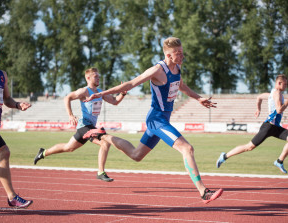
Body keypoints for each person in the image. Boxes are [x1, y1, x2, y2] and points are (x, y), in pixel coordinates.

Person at [84, 37, 223, 204]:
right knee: (187, 148)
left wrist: (198, 98)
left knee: (136, 155)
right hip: (157, 119)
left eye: (182, 53)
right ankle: (203, 192)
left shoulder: (177, 67)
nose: (182, 56)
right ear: (168, 55)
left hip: (161, 119)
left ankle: (103, 136)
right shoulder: (157, 70)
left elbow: (182, 86)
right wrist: (101, 93)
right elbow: (131, 83)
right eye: (178, 54)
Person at [34, 67, 127, 182]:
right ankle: (100, 172)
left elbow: (115, 101)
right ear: (88, 78)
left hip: (90, 127)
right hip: (84, 126)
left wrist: (122, 94)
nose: (98, 78)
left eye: (99, 76)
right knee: (105, 142)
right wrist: (70, 115)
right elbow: (67, 98)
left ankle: (43, 152)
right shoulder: (84, 91)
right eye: (95, 76)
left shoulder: (100, 93)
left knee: (68, 148)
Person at [0, 39, 33, 208]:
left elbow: (6, 98)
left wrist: (17, 105)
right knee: (4, 152)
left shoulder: (2, 75)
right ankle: (12, 197)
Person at [216, 74, 288, 174]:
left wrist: (258, 109)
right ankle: (224, 156)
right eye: (285, 84)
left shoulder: (272, 93)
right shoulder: (276, 93)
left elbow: (259, 97)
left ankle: (279, 161)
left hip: (275, 127)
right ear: (279, 83)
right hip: (268, 127)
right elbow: (279, 110)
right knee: (249, 147)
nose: (286, 86)